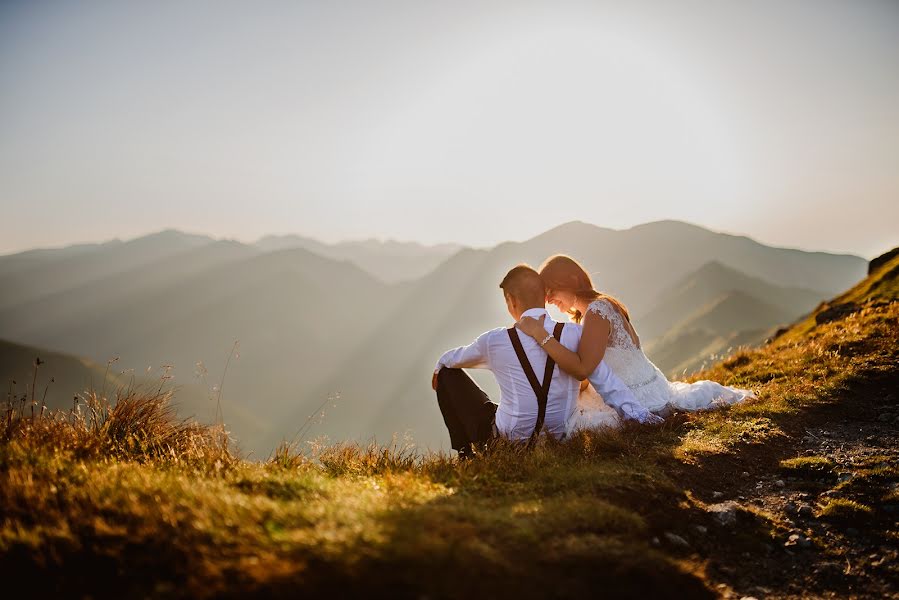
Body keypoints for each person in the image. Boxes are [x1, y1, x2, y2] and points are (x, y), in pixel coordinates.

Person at [432, 264, 655, 457]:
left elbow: (454, 359)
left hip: (510, 441)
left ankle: (464, 453)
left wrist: (439, 366)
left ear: (511, 301)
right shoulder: (573, 334)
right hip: (562, 437)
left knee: (448, 374)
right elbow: (608, 383)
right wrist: (641, 417)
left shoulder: (493, 341)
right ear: (544, 299)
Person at [514, 255, 755, 418]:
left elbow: (582, 369)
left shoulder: (597, 312)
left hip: (639, 398)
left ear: (572, 281)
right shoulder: (603, 306)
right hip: (652, 388)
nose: (548, 300)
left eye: (551, 291)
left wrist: (540, 335)